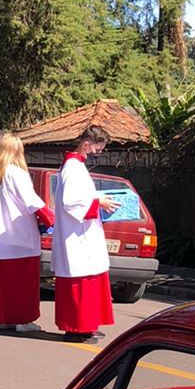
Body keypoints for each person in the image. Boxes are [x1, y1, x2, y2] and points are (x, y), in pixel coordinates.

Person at [51, 124, 119, 342]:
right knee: (80, 284)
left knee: (92, 282)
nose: (97, 154)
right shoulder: (72, 167)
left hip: (85, 236)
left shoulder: (76, 167)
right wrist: (98, 201)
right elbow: (70, 202)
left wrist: (98, 200)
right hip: (76, 238)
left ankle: (88, 324)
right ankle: (76, 329)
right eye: (97, 150)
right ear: (86, 144)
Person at [0, 132, 53, 334]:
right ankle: (23, 320)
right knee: (24, 284)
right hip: (20, 237)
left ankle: (5, 318)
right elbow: (32, 202)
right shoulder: (17, 173)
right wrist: (51, 219)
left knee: (4, 284)